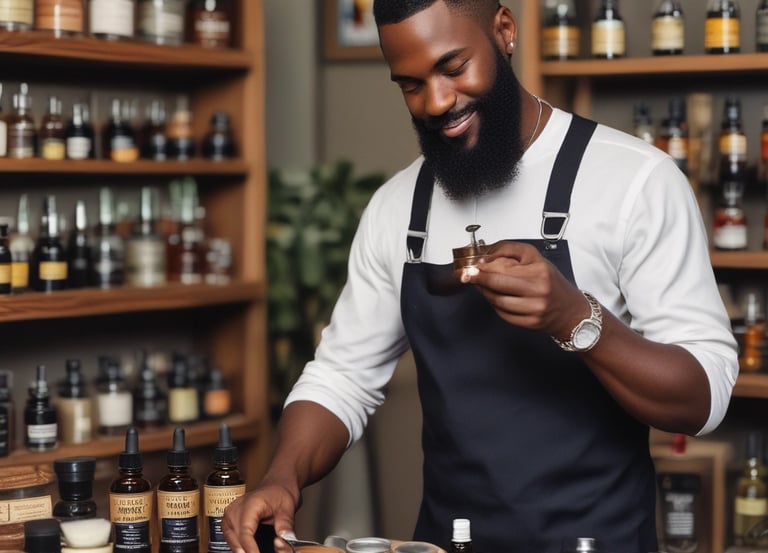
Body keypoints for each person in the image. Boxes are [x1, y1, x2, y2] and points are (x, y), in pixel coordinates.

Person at [223, 1, 738, 552]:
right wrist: (283, 477)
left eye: (453, 68)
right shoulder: (399, 207)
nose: (437, 102)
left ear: (504, 31)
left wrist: (575, 317)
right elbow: (341, 377)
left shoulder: (634, 180)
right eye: (410, 86)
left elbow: (703, 397)